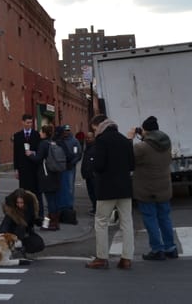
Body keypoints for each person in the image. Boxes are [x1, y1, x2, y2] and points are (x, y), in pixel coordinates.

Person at [85, 113, 135, 270]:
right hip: (125, 187)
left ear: (99, 125)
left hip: (106, 187)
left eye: (94, 128)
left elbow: (99, 165)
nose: (94, 132)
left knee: (101, 222)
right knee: (126, 222)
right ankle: (126, 258)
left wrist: (94, 168)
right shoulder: (124, 140)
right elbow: (132, 164)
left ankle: (101, 257)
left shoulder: (101, 140)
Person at [132, 116, 178, 260]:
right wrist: (143, 136)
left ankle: (157, 249)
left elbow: (129, 158)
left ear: (145, 130)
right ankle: (171, 247)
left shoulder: (141, 147)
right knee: (164, 217)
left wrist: (130, 138)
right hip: (164, 186)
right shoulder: (166, 141)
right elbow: (154, 145)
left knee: (150, 218)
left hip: (147, 188)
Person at [32, 125, 63, 230]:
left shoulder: (43, 144)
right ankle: (55, 222)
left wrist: (30, 154)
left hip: (46, 175)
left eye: (41, 131)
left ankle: (52, 224)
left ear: (45, 133)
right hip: (55, 174)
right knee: (54, 199)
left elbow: (38, 159)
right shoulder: (53, 143)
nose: (40, 133)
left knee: (50, 201)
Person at [12, 113, 43, 220]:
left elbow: (40, 152)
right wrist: (16, 169)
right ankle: (24, 214)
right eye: (28, 122)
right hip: (23, 169)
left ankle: (38, 214)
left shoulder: (36, 135)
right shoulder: (17, 136)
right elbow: (15, 154)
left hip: (34, 168)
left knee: (36, 192)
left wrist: (33, 153)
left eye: (31, 122)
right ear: (23, 122)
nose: (29, 124)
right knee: (23, 192)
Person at [0, 187, 40, 261]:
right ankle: (16, 250)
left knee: (38, 243)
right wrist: (4, 235)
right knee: (20, 228)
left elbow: (33, 221)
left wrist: (40, 221)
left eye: (21, 203)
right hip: (14, 234)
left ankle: (23, 249)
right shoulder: (11, 212)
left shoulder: (30, 208)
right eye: (18, 203)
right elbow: (5, 225)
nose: (19, 205)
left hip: (26, 232)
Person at [58, 125, 82, 215]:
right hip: (61, 166)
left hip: (70, 167)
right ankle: (62, 205)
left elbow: (78, 154)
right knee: (62, 186)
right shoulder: (60, 140)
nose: (66, 132)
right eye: (65, 130)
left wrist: (72, 163)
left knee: (70, 187)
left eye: (67, 130)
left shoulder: (74, 141)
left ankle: (69, 205)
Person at [81, 130, 97, 215]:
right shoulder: (87, 148)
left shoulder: (95, 147)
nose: (87, 139)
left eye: (89, 138)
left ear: (93, 138)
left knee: (95, 193)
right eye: (86, 138)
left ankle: (96, 209)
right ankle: (94, 207)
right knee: (91, 193)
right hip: (88, 175)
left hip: (93, 176)